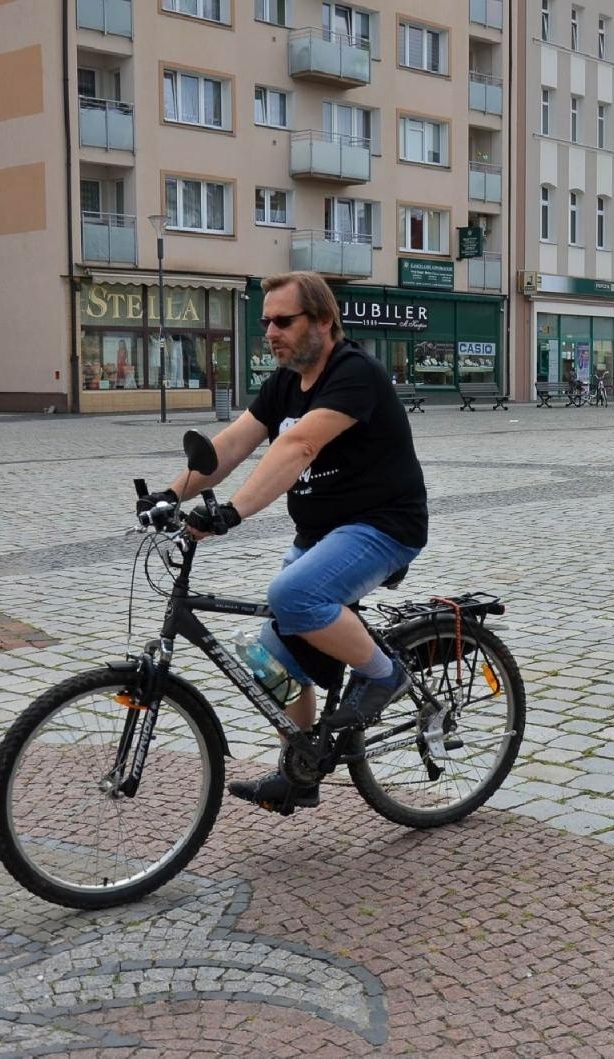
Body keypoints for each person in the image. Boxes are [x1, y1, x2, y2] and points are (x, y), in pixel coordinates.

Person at [142, 270, 428, 815]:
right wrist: (168, 496)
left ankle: (386, 676)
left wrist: (232, 512)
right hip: (320, 534)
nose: (270, 331)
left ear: (323, 321)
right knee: (270, 661)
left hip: (383, 527)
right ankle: (301, 770)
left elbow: (297, 445)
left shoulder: (354, 374)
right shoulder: (282, 382)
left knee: (292, 595)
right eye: (265, 321)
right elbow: (229, 446)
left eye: (284, 321)